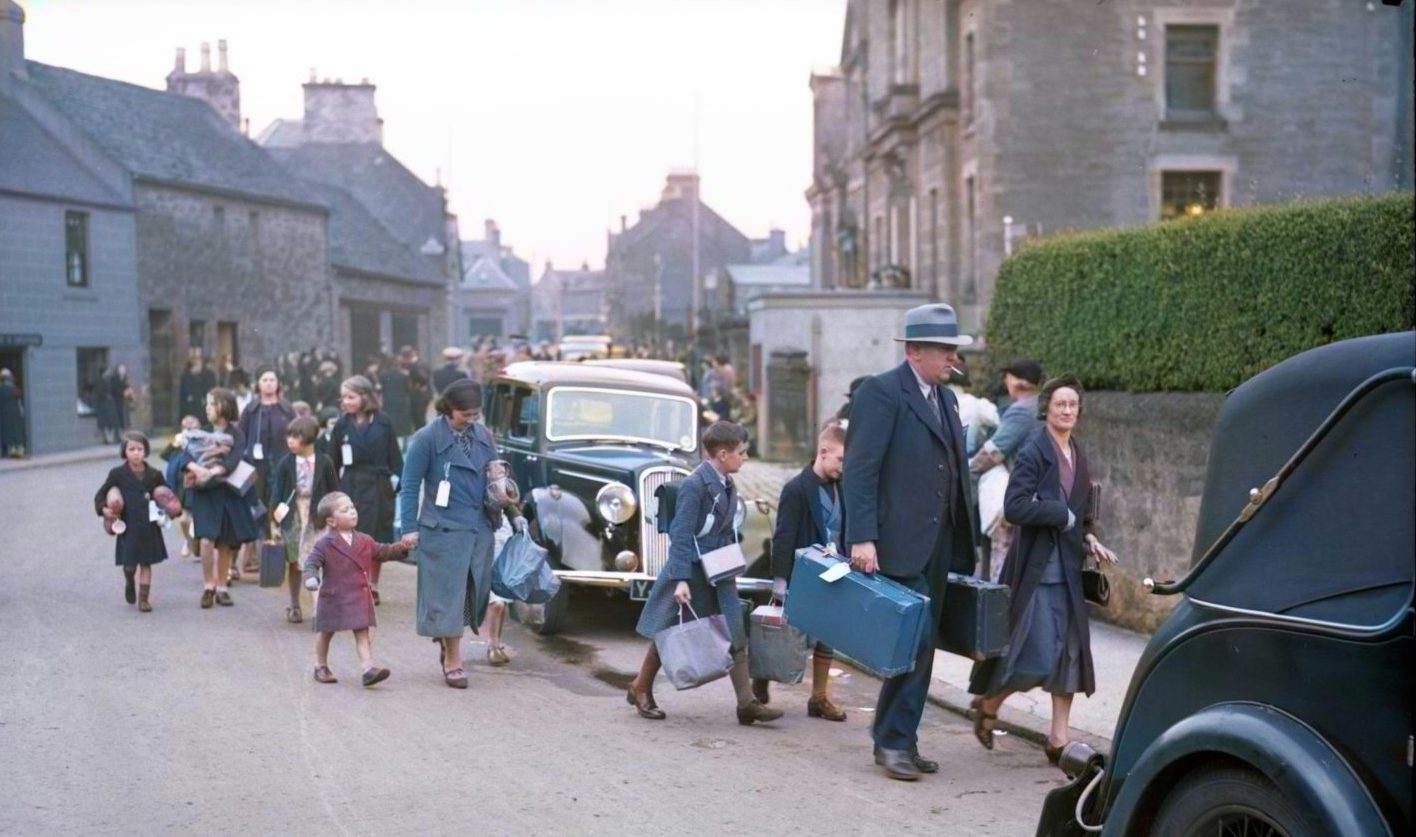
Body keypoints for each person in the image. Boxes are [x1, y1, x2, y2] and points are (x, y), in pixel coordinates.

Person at [843, 303, 977, 781]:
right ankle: (892, 741)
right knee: (911, 641)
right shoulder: (883, 393)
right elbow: (860, 471)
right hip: (897, 541)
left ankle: (902, 737)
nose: (952, 358)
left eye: (953, 350)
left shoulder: (947, 398)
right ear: (916, 352)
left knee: (925, 647)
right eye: (944, 350)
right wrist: (862, 537)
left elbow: (954, 469)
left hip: (939, 542)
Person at [968, 375, 1117, 765]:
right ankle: (989, 703)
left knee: (1068, 655)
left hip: (1068, 572)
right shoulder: (1035, 451)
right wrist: (1057, 514)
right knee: (1033, 656)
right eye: (1060, 405)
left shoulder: (1078, 454)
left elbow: (1080, 513)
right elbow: (1015, 507)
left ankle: (1057, 739)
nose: (1067, 411)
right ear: (1047, 409)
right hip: (1037, 572)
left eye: (1072, 405)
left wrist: (1089, 538)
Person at [628, 421, 782, 726]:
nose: (746, 457)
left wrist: (731, 560)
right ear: (722, 454)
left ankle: (746, 703)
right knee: (669, 632)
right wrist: (681, 578)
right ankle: (640, 687)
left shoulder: (728, 483)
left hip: (719, 569)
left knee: (734, 628)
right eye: (742, 452)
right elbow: (681, 533)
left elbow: (726, 530)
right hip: (691, 570)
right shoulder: (695, 484)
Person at [397, 379, 498, 689]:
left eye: (475, 414)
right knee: (449, 596)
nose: (471, 420)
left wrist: (510, 504)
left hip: (479, 528)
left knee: (473, 595)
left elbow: (497, 477)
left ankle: (446, 637)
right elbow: (410, 485)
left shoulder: (484, 436)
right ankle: (454, 659)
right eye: (465, 414)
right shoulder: (425, 439)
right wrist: (409, 529)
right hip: (442, 530)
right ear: (448, 409)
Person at [752, 420, 849, 721]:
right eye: (840, 460)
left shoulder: (843, 488)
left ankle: (819, 698)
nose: (843, 467)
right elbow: (784, 536)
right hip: (803, 574)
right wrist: (780, 581)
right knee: (792, 633)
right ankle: (763, 675)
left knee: (828, 634)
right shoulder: (796, 489)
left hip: (834, 572)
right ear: (822, 452)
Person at [302, 492, 414, 687]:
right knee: (325, 633)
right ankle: (320, 665)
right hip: (333, 597)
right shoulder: (324, 544)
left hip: (358, 596)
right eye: (345, 510)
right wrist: (311, 577)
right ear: (331, 521)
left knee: (362, 632)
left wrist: (402, 547)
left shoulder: (364, 540)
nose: (352, 512)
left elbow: (383, 551)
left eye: (352, 507)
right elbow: (311, 563)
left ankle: (368, 668)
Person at [329, 375, 402, 606]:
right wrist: (333, 494)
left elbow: (395, 459)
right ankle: (354, 584)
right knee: (351, 538)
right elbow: (333, 462)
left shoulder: (384, 421)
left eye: (351, 397)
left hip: (378, 486)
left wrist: (398, 486)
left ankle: (373, 585)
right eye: (344, 397)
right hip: (352, 485)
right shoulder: (341, 425)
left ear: (365, 396)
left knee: (376, 538)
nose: (346, 402)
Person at [969, 359, 1044, 582]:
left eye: (1007, 377)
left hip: (1020, 496)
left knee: (1003, 563)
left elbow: (993, 452)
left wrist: (966, 472)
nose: (1005, 382)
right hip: (1041, 494)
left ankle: (1000, 609)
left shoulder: (1022, 410)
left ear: (1017, 382)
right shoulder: (1044, 406)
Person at [185, 388, 260, 608]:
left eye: (211, 404)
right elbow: (185, 455)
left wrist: (212, 471)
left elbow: (235, 459)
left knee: (225, 543)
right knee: (207, 540)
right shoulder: (201, 431)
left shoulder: (237, 434)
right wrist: (197, 470)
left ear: (223, 407)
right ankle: (208, 585)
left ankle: (222, 586)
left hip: (228, 493)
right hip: (206, 492)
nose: (207, 408)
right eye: (207, 404)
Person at [270, 416, 338, 624]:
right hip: (294, 516)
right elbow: (276, 494)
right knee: (294, 562)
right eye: (289, 436)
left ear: (309, 438)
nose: (290, 441)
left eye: (296, 437)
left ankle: (319, 608)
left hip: (317, 517)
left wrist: (335, 515)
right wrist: (273, 522)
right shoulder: (285, 463)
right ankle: (294, 603)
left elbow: (334, 490)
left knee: (316, 560)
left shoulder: (325, 462)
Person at [94, 431, 171, 612]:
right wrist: (104, 509)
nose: (136, 453)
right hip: (128, 528)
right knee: (130, 565)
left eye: (140, 449)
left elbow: (166, 494)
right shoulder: (118, 474)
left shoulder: (154, 474)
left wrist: (170, 505)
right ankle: (129, 581)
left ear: (146, 451)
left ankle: (144, 599)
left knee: (146, 563)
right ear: (124, 452)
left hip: (149, 527)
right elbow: (101, 495)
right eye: (132, 449)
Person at [236, 367, 296, 577]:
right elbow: (240, 436)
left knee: (281, 508)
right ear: (258, 384)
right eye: (265, 379)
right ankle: (256, 557)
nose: (269, 383)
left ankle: (282, 554)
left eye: (272, 379)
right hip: (257, 467)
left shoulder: (287, 409)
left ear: (278, 384)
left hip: (281, 465)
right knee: (258, 509)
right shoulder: (251, 409)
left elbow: (296, 433)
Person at [378, 356, 415, 445]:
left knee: (390, 421)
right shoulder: (404, 375)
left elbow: (380, 389)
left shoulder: (383, 375)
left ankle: (390, 441)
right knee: (403, 423)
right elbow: (408, 389)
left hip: (388, 402)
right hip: (401, 403)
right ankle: (404, 444)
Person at [179, 352, 215, 425]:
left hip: (205, 410)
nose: (196, 361)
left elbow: (212, 390)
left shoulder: (209, 375)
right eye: (194, 359)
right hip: (191, 410)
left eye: (198, 358)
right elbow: (183, 396)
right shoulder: (186, 376)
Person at [0, 369, 26, 458]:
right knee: (16, 431)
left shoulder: (3, 388)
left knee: (9, 432)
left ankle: (13, 451)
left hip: (6, 414)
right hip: (14, 413)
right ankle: (18, 451)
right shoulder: (12, 388)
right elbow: (19, 394)